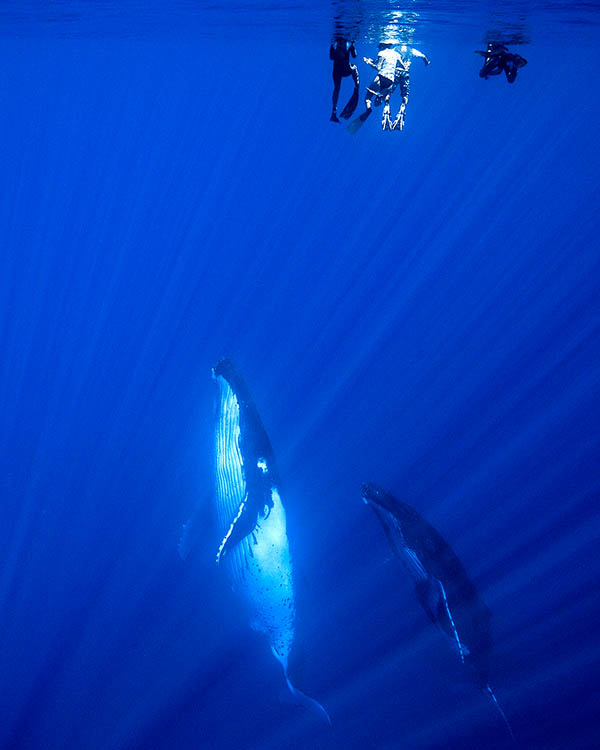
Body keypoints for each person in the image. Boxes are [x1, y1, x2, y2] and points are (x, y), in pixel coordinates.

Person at [358, 41, 430, 131]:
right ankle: (403, 106)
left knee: (388, 93)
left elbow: (382, 60)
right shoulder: (412, 50)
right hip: (405, 73)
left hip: (394, 73)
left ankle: (386, 103)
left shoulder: (394, 49)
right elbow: (423, 56)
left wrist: (370, 62)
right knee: (405, 95)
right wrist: (426, 62)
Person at [329, 39, 360, 122]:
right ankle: (357, 87)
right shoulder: (348, 44)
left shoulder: (334, 43)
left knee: (337, 88)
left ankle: (334, 111)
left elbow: (331, 57)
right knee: (354, 68)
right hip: (345, 70)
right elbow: (354, 55)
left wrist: (337, 51)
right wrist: (352, 46)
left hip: (337, 71)